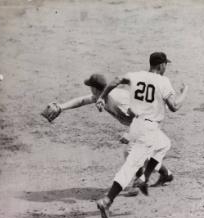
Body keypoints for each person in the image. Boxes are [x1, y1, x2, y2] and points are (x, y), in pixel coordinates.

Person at [95, 52, 188, 218]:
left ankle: (144, 177)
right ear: (161, 65)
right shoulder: (163, 81)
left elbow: (116, 79)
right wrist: (184, 93)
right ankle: (107, 200)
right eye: (165, 64)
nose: (166, 67)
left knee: (165, 144)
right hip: (149, 129)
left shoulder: (136, 75)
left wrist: (101, 97)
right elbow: (174, 106)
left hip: (136, 125)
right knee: (131, 165)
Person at [41, 74, 174, 190]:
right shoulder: (100, 96)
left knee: (131, 152)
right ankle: (166, 174)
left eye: (90, 87)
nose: (90, 90)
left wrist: (130, 134)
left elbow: (139, 115)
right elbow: (81, 100)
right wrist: (61, 107)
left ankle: (137, 183)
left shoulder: (117, 99)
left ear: (94, 88)